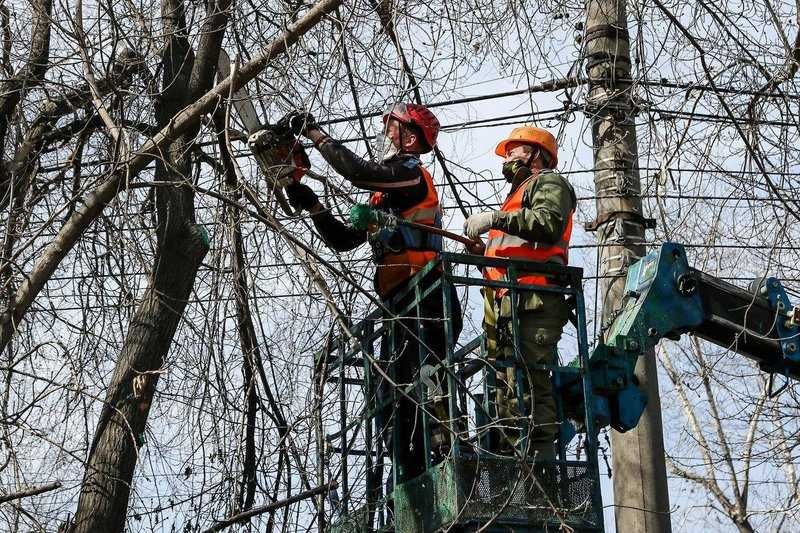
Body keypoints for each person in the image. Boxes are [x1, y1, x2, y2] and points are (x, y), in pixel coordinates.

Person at [279, 104, 462, 483]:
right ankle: (411, 488)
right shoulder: (385, 198)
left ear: (410, 138)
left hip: (428, 303)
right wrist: (311, 201)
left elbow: (358, 172)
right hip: (400, 308)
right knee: (389, 409)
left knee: (422, 396)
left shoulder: (411, 176)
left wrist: (315, 133)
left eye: (391, 126)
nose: (385, 130)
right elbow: (344, 241)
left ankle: (443, 470)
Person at [463, 126, 575, 461]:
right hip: (505, 305)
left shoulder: (549, 184)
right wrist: (481, 253)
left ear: (537, 155)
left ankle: (539, 473)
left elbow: (547, 223)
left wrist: (494, 218)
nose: (509, 156)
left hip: (534, 300)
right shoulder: (515, 198)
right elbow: (509, 256)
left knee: (529, 383)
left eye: (516, 150)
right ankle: (514, 468)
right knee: (506, 392)